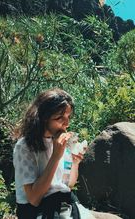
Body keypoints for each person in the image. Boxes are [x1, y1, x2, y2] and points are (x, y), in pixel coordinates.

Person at [13, 88, 121, 219]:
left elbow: (67, 184)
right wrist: (55, 157)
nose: (67, 123)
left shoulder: (60, 142)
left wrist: (75, 162)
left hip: (65, 203)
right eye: (60, 118)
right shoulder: (25, 147)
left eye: (68, 117)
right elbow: (34, 199)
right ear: (43, 118)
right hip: (39, 211)